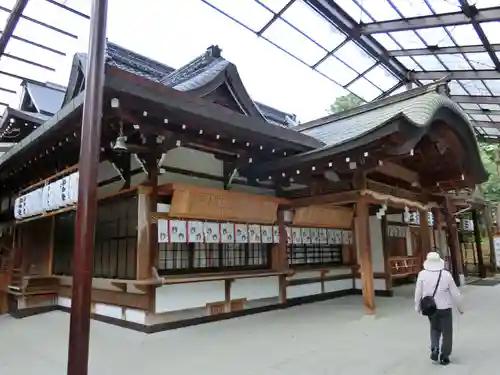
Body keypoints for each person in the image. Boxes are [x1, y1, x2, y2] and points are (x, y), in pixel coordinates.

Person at [414, 251, 463, 366]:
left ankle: (435, 348)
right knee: (447, 332)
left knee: (434, 328)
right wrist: (460, 307)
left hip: (431, 308)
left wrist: (417, 307)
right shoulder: (446, 275)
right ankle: (445, 356)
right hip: (445, 307)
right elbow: (455, 293)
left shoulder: (422, 274)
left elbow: (418, 293)